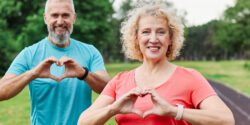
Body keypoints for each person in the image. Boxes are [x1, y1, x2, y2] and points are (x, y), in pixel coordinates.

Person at [78, 1, 235, 125]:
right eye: (146, 32)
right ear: (136, 38)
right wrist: (112, 109)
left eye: (161, 32)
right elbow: (83, 122)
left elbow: (226, 120)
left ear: (170, 38)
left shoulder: (190, 78)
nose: (153, 39)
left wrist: (174, 111)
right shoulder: (120, 80)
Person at [0, 0, 110, 124]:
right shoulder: (29, 54)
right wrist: (33, 74)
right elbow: (1, 91)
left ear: (74, 17)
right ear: (45, 18)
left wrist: (84, 74)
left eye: (65, 15)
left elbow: (108, 88)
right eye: (54, 15)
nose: (60, 21)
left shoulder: (90, 52)